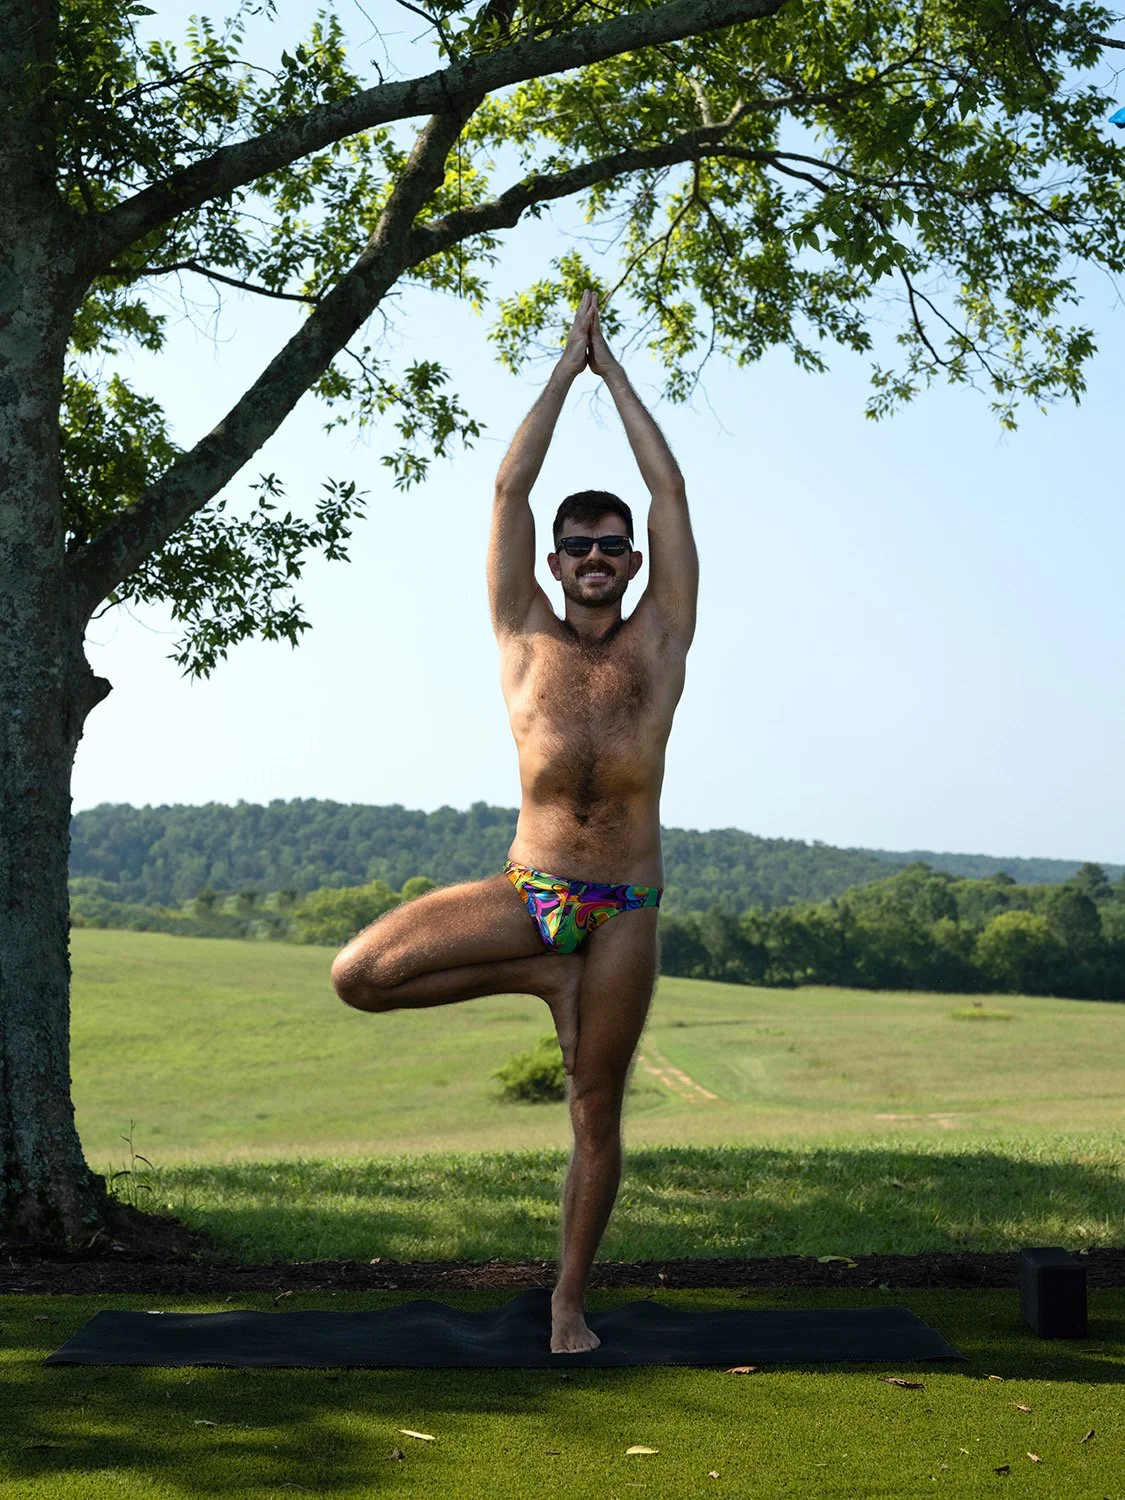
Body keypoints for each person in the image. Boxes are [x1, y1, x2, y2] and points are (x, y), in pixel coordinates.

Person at [331, 289, 698, 1352]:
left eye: (610, 545)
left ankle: (566, 1306)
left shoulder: (661, 641)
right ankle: (539, 970)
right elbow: (508, 485)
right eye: (577, 541)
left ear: (629, 562)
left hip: (625, 904)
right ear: (554, 561)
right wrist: (561, 368)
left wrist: (613, 372)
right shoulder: (521, 635)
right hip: (531, 893)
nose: (593, 554)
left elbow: (668, 488)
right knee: (361, 975)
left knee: (596, 1112)